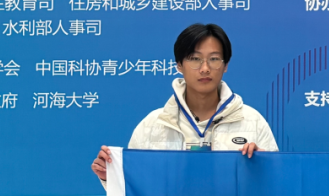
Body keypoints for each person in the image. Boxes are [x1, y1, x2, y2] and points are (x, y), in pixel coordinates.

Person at [91, 23, 277, 184]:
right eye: (195, 59)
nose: (205, 68)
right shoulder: (152, 126)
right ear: (179, 65)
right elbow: (136, 190)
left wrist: (264, 165)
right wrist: (111, 177)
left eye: (214, 59)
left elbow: (276, 185)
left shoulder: (252, 122)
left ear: (225, 65)